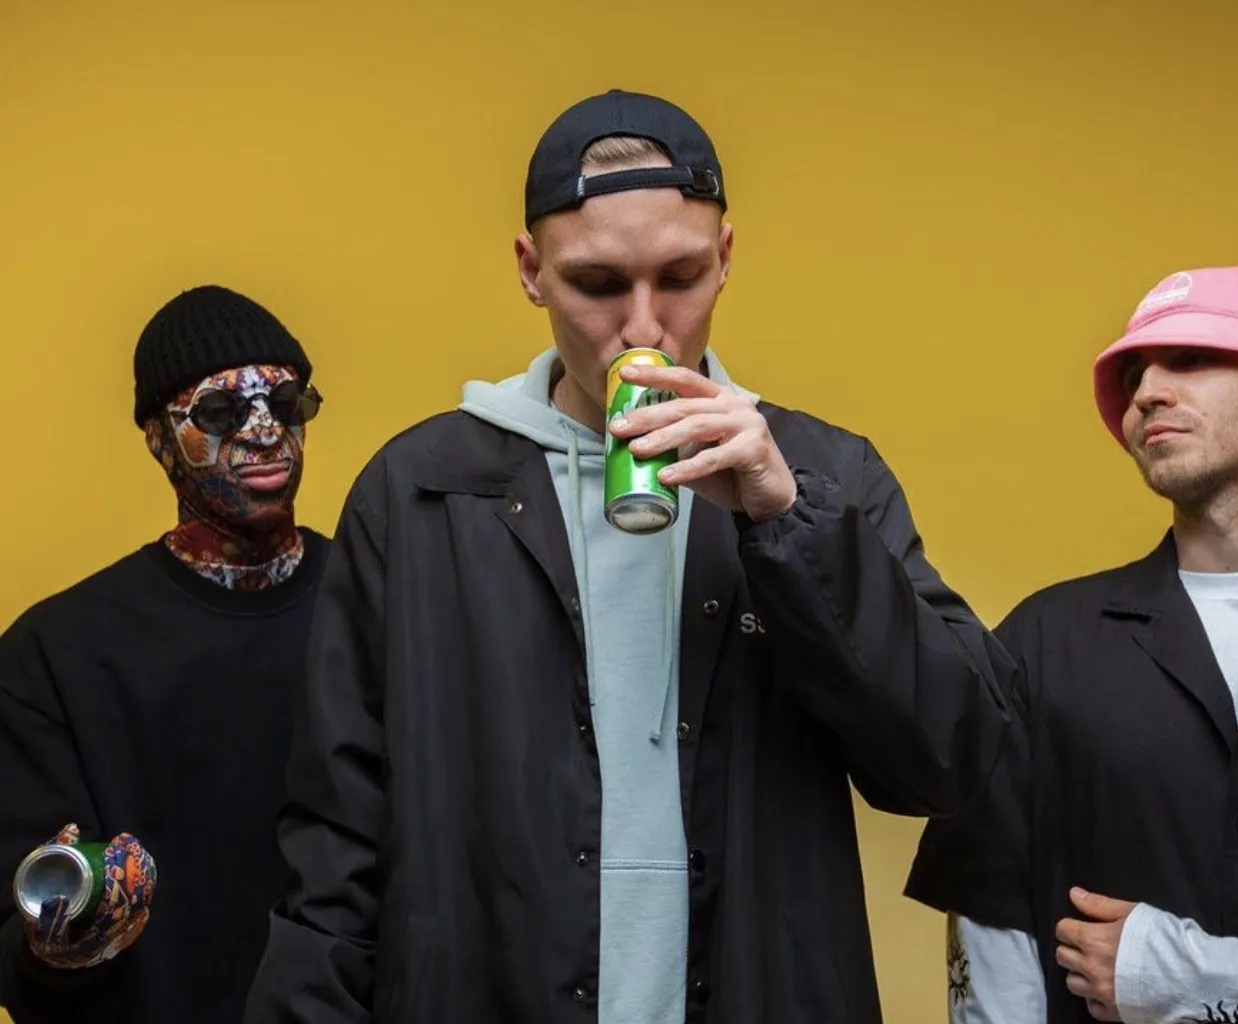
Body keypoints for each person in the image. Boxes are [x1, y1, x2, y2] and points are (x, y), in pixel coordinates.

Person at [242, 88, 1013, 1024]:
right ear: (531, 272)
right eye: (598, 285)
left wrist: (786, 521)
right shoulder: (421, 491)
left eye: (680, 277)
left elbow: (948, 761)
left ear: (726, 258)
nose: (644, 328)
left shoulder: (822, 474)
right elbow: (335, 836)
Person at [907, 266, 1238, 1024]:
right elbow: (992, 935)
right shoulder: (1045, 643)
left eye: (1190, 359)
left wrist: (1185, 975)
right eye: (1133, 375)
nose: (1146, 392)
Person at [0, 285, 330, 1022]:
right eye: (219, 412)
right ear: (157, 438)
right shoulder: (53, 655)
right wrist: (66, 941)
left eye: (284, 403)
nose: (263, 431)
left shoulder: (379, 608)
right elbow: (18, 952)